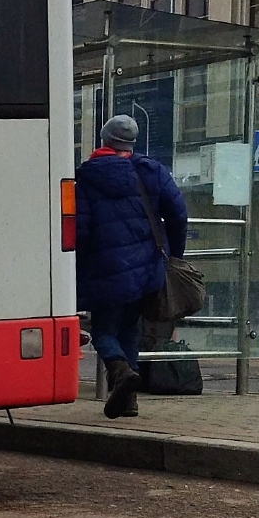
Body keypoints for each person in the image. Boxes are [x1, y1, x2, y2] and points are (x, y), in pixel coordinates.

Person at [76, 114, 187, 419]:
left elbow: (81, 230)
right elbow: (178, 213)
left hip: (105, 270)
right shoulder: (151, 170)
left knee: (104, 332)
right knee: (129, 330)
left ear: (105, 139)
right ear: (131, 142)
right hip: (145, 270)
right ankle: (129, 401)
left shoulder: (88, 175)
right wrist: (175, 255)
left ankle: (121, 370)